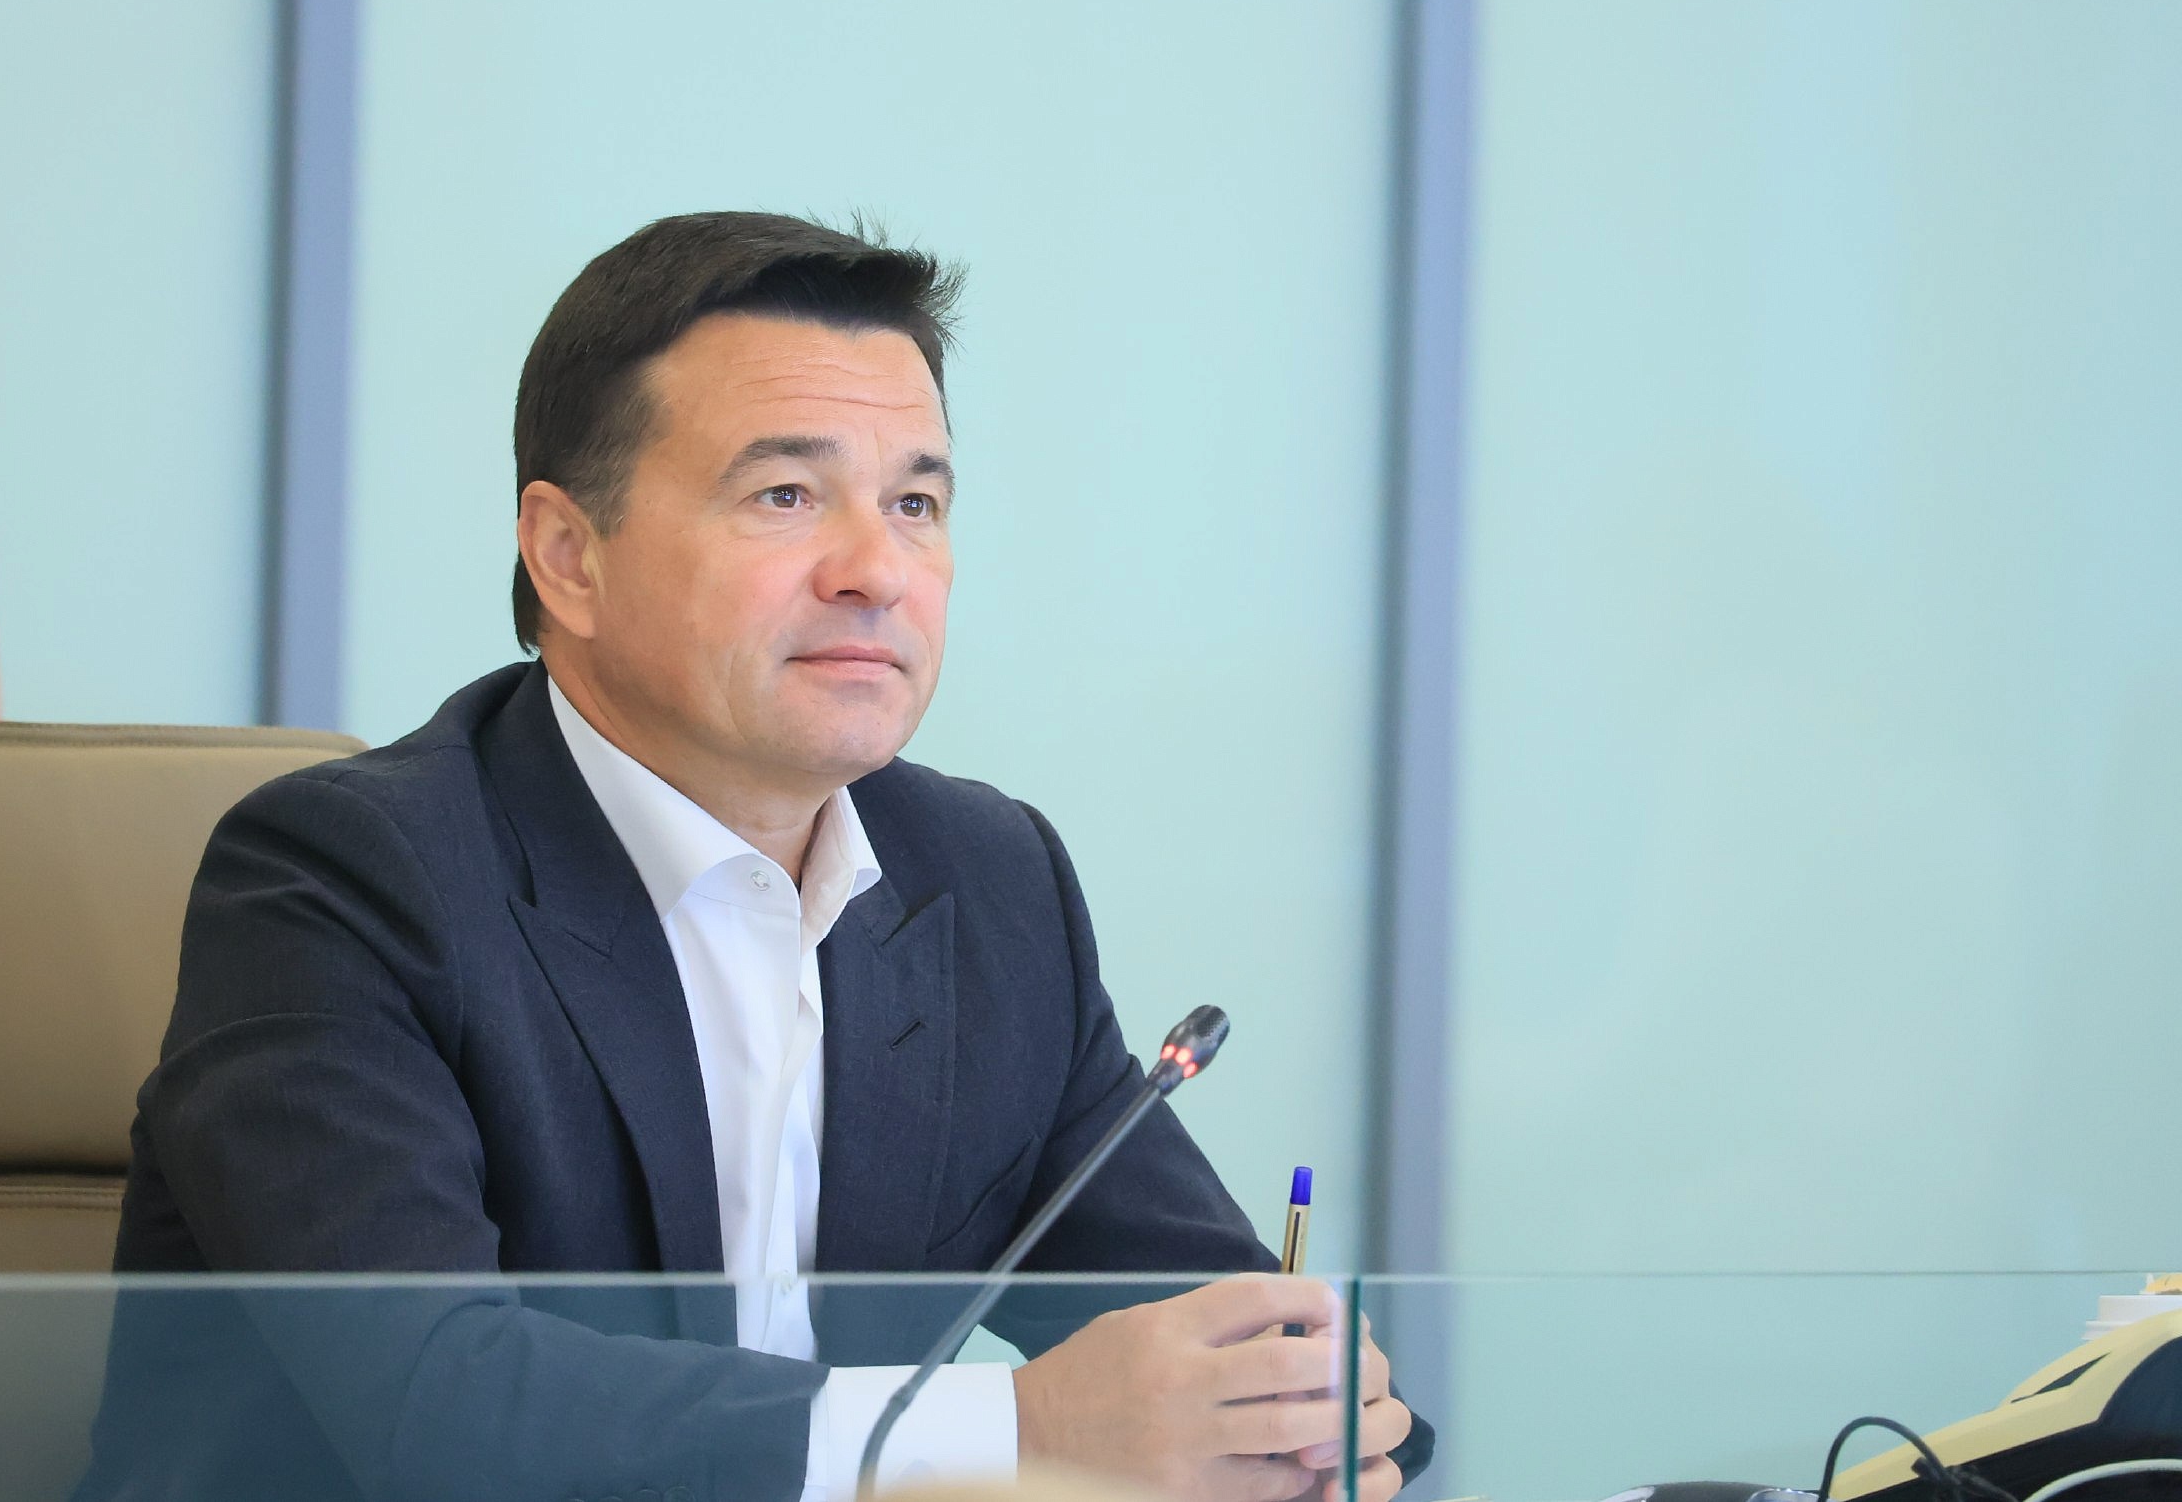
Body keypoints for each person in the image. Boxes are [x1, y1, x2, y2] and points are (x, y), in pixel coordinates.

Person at [79, 212, 1430, 1502]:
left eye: (916, 503)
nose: (876, 570)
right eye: (787, 494)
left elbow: (1223, 1345)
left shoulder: (985, 883)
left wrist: (1300, 1417)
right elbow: (441, 1409)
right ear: (568, 556)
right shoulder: (342, 882)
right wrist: (1020, 1432)